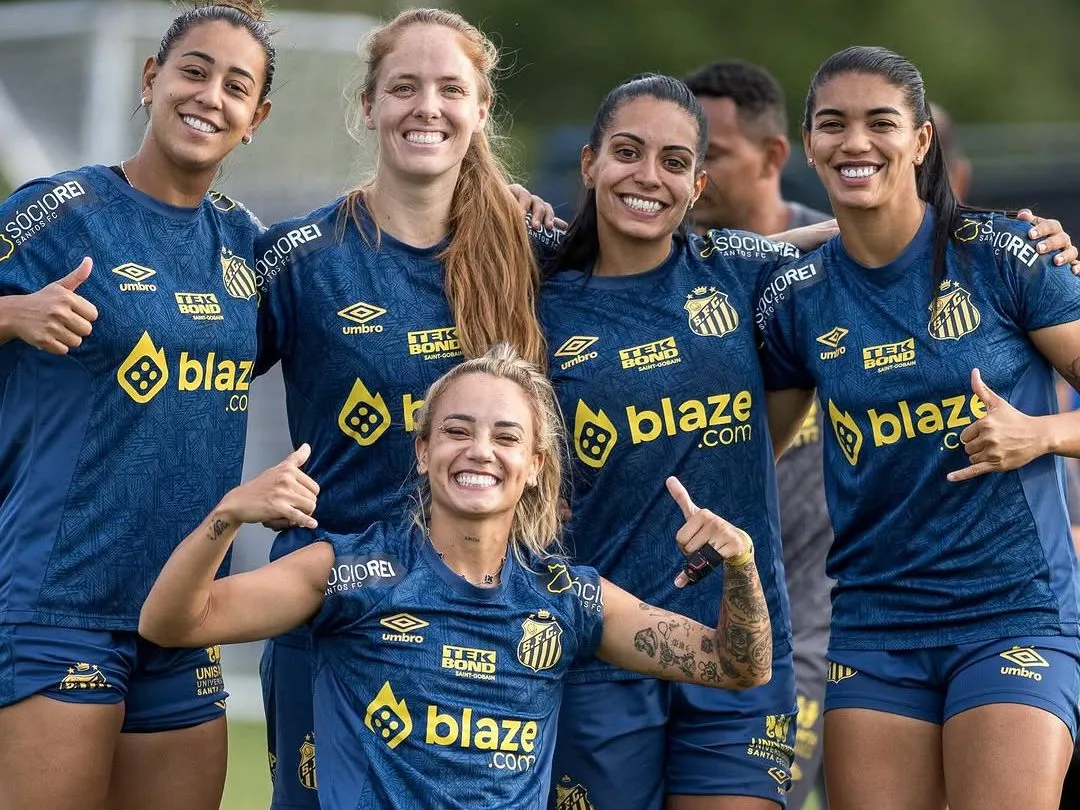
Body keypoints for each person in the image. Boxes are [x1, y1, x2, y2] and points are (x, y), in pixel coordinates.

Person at [140, 342, 773, 809]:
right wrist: (227, 516)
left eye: (505, 436)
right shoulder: (348, 573)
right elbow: (174, 622)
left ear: (532, 465)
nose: (479, 451)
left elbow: (741, 666)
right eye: (457, 431)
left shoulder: (567, 598)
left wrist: (741, 564)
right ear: (423, 452)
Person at [758, 45, 1080, 810]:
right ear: (809, 145)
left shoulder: (1007, 257)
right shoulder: (798, 299)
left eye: (881, 122)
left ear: (921, 141)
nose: (856, 143)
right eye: (833, 125)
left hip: (1014, 612)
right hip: (876, 625)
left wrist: (1041, 434)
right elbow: (747, 456)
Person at [252, 9, 558, 808]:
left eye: (450, 89)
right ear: (368, 106)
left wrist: (861, 240)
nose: (427, 107)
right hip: (332, 614)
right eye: (404, 88)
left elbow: (688, 271)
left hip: (489, 622)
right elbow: (185, 372)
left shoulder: (534, 252)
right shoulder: (300, 259)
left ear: (481, 110)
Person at [0, 3, 273, 810]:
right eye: (193, 70)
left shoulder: (249, 246)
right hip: (60, 607)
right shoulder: (59, 211)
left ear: (255, 119)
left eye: (235, 86)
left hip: (185, 618)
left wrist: (495, 199)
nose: (209, 96)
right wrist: (12, 315)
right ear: (152, 80)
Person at [683, 59, 833, 810]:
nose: (692, 175)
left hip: (823, 613)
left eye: (711, 155)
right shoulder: (660, 265)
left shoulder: (846, 267)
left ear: (775, 156)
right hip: (687, 615)